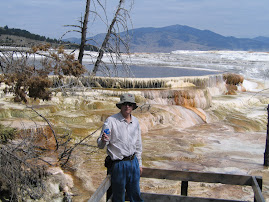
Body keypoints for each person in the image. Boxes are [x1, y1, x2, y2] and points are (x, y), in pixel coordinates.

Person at [97, 93, 144, 202]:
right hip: (119, 165)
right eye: (124, 104)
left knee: (136, 195)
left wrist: (140, 164)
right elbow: (100, 144)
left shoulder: (136, 122)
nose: (127, 106)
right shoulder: (111, 121)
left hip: (134, 163)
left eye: (129, 104)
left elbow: (138, 144)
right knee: (118, 197)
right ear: (120, 106)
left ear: (132, 107)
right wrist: (103, 140)